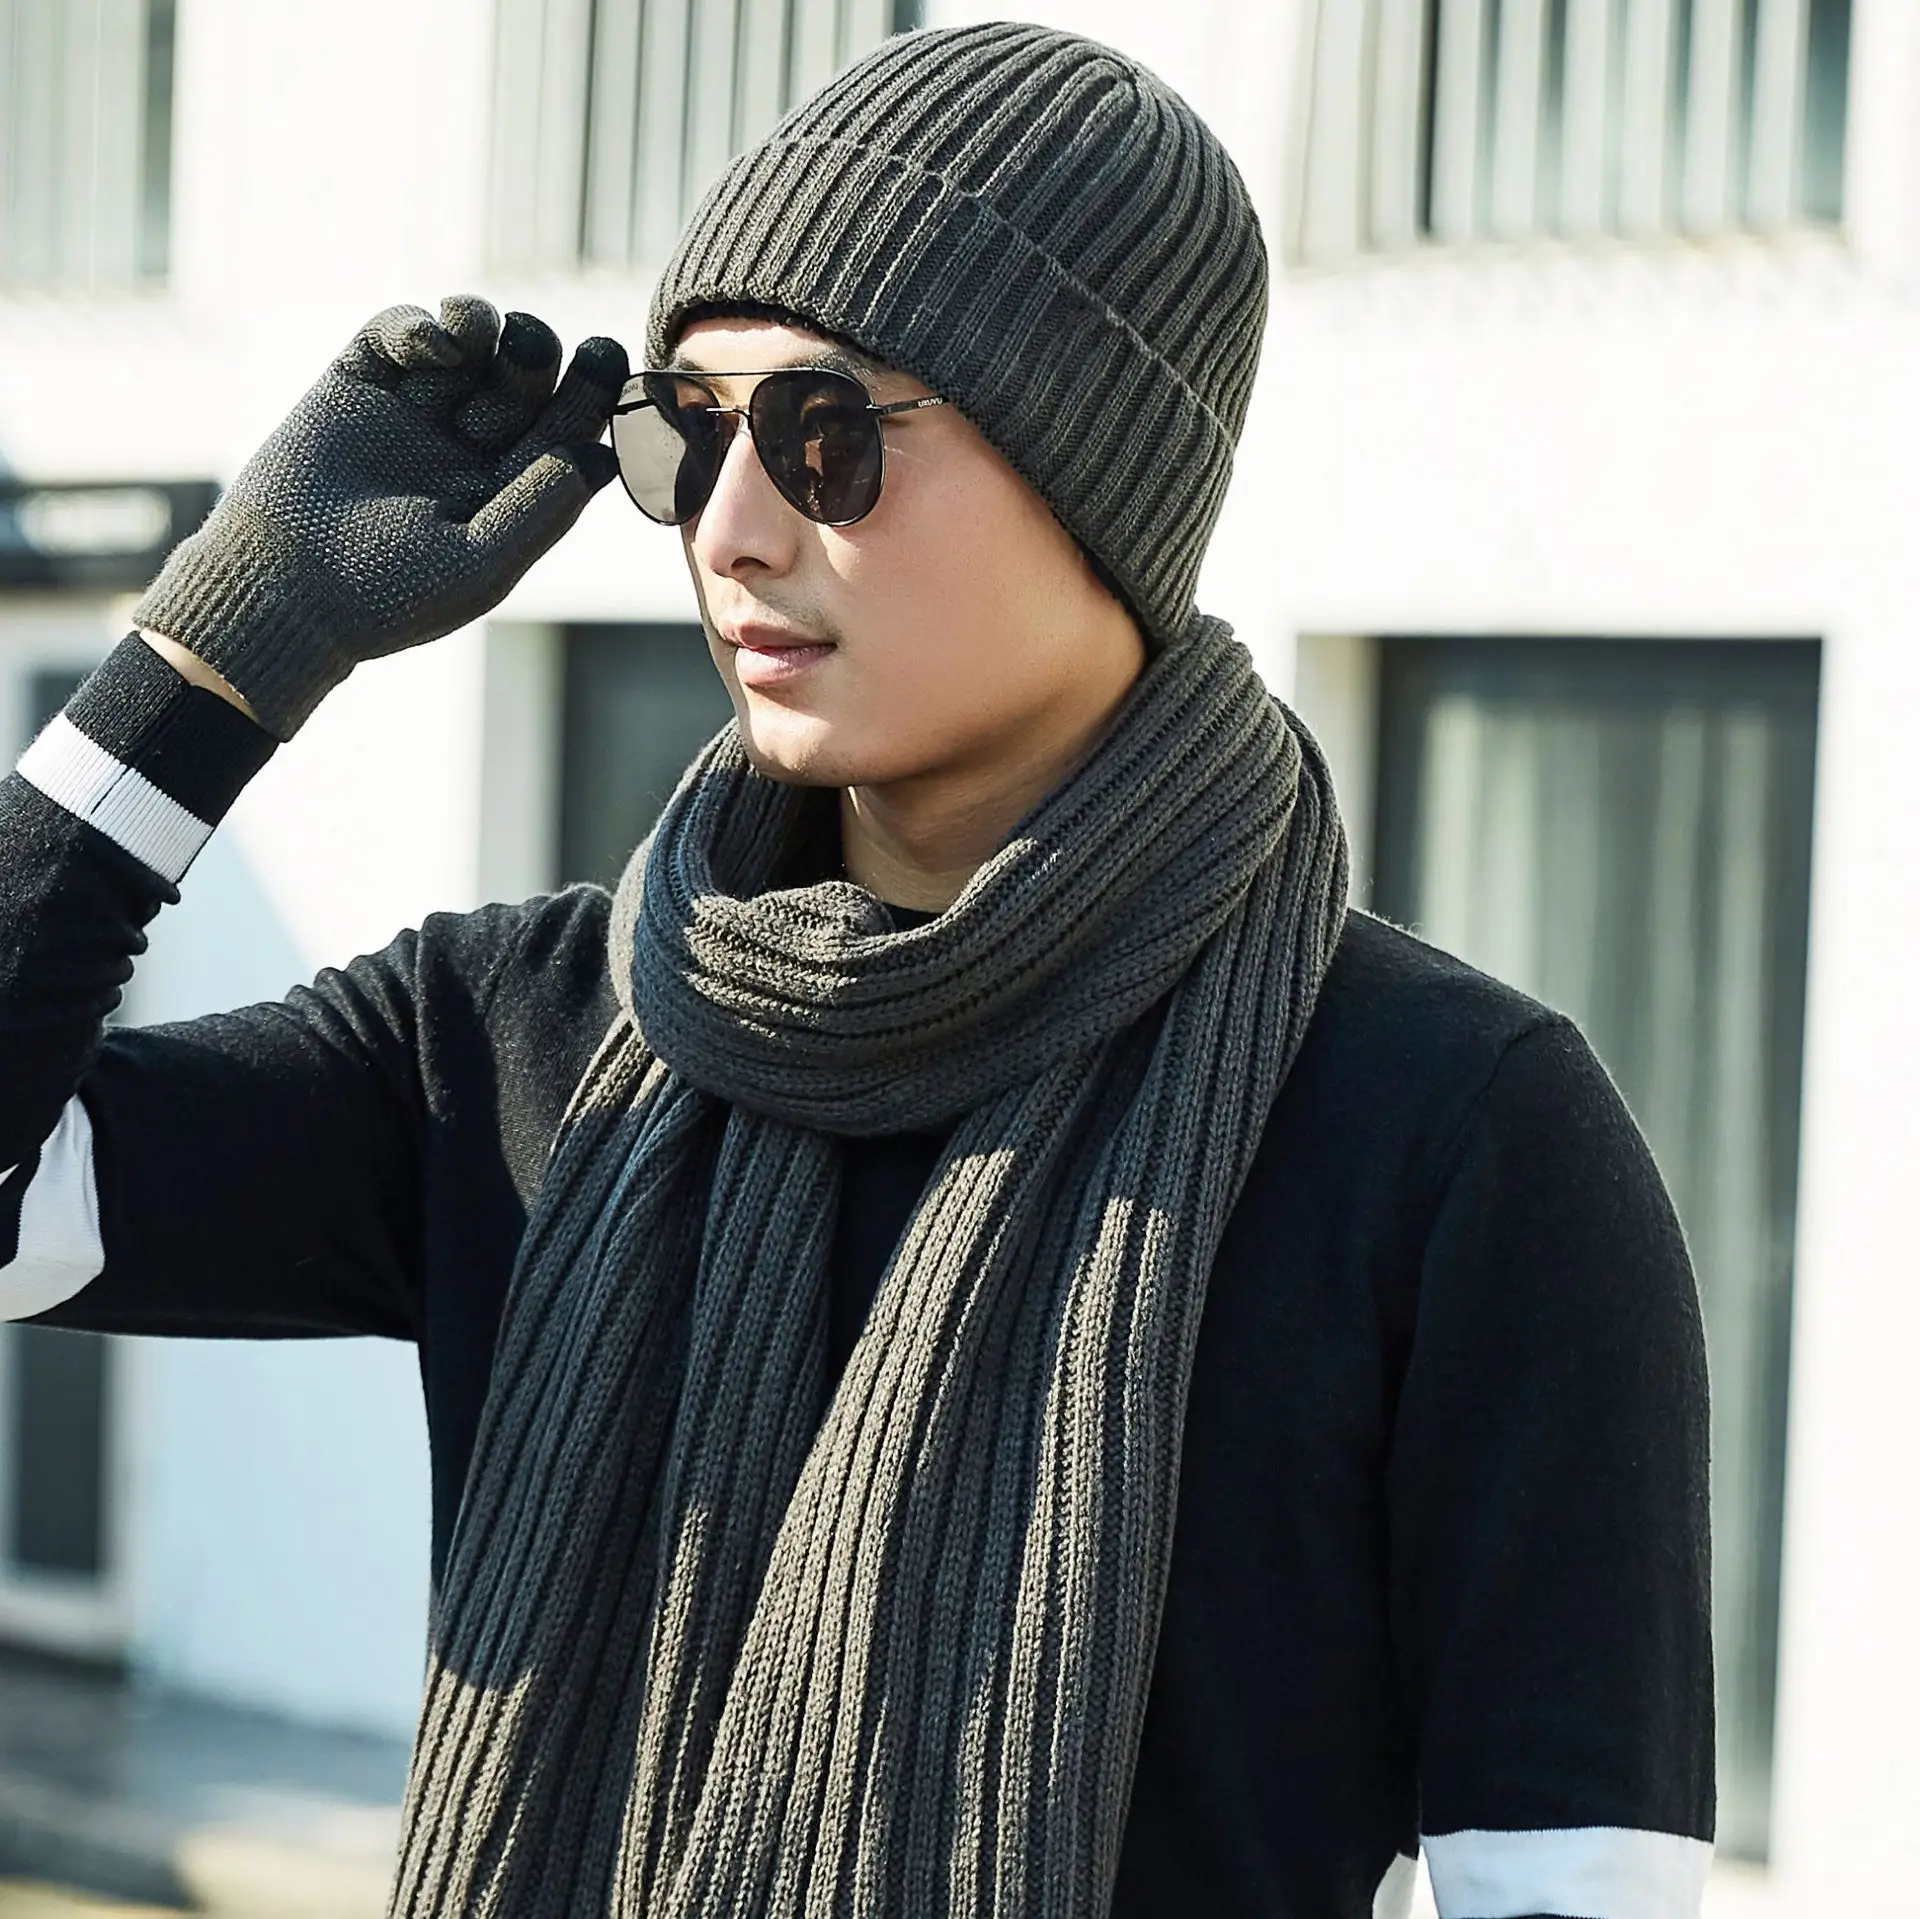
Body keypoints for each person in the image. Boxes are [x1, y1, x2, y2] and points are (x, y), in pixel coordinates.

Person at [0, 22, 1714, 1919]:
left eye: (826, 436)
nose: (733, 531)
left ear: (1100, 475)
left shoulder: (1457, 1136)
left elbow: (1573, 1891)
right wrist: (221, 651)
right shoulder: (519, 1036)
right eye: (689, 433)